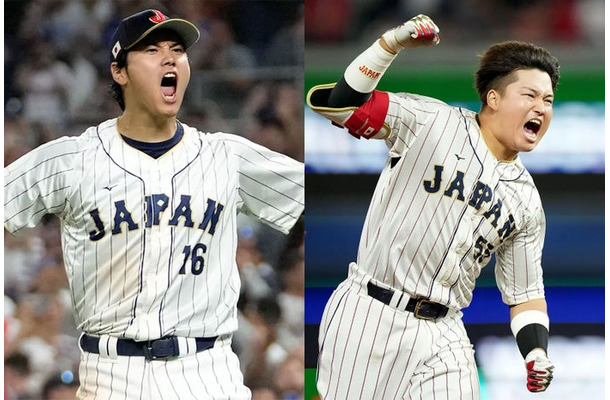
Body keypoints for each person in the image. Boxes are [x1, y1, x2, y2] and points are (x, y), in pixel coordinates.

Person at [5, 9, 304, 400]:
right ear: (119, 72)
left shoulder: (226, 157)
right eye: (151, 49)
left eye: (177, 50)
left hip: (208, 370)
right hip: (112, 373)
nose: (169, 58)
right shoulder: (72, 159)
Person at [306, 14, 556, 399]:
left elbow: (525, 292)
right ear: (493, 98)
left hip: (445, 331)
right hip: (372, 311)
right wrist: (391, 43)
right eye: (530, 95)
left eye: (548, 100)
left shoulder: (525, 200)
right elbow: (342, 106)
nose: (541, 107)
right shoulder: (432, 121)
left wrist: (535, 351)